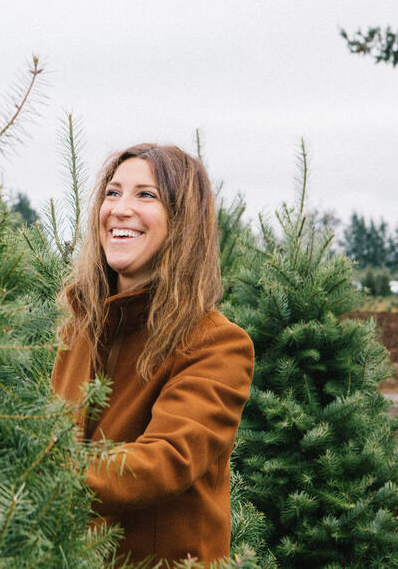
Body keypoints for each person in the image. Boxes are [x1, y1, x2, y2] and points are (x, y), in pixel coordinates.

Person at [51, 143, 254, 565]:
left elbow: (165, 460)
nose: (120, 209)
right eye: (112, 192)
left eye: (146, 195)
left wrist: (43, 473)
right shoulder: (78, 329)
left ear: (182, 222)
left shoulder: (216, 342)